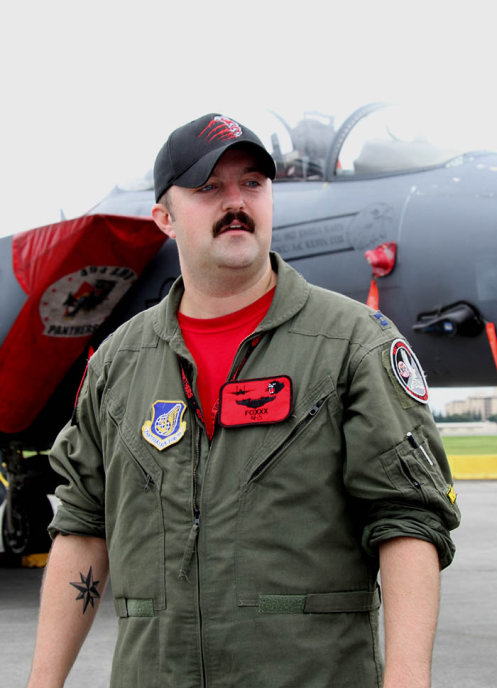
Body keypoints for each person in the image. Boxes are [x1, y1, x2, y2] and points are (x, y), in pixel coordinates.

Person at [26, 113, 460, 688]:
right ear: (164, 217)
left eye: (252, 183)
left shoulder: (353, 345)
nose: (236, 202)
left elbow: (407, 520)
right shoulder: (118, 363)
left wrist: (407, 679)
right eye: (209, 187)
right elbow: (83, 527)